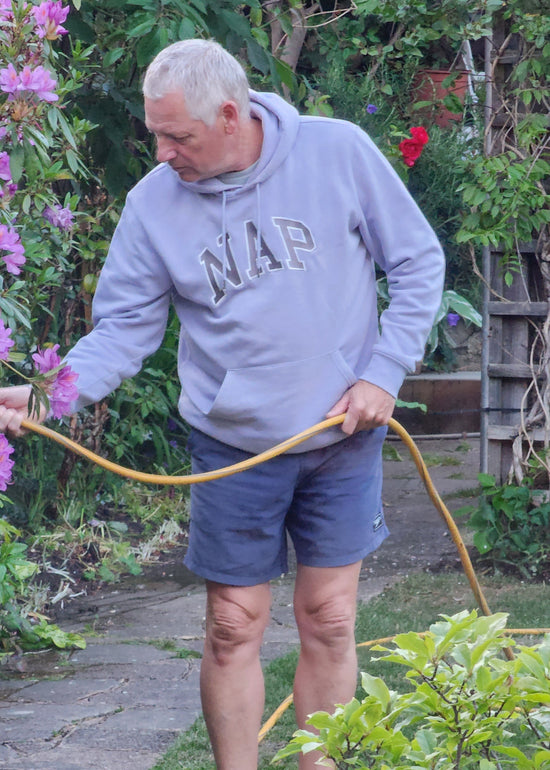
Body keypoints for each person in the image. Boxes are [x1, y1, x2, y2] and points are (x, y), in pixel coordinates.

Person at [0, 39, 445, 770]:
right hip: (234, 447)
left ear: (232, 115)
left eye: (179, 136)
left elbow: (418, 261)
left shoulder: (338, 153)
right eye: (156, 135)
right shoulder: (153, 206)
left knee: (330, 621)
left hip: (342, 432)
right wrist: (50, 396)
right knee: (234, 627)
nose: (163, 153)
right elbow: (123, 329)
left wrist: (384, 373)